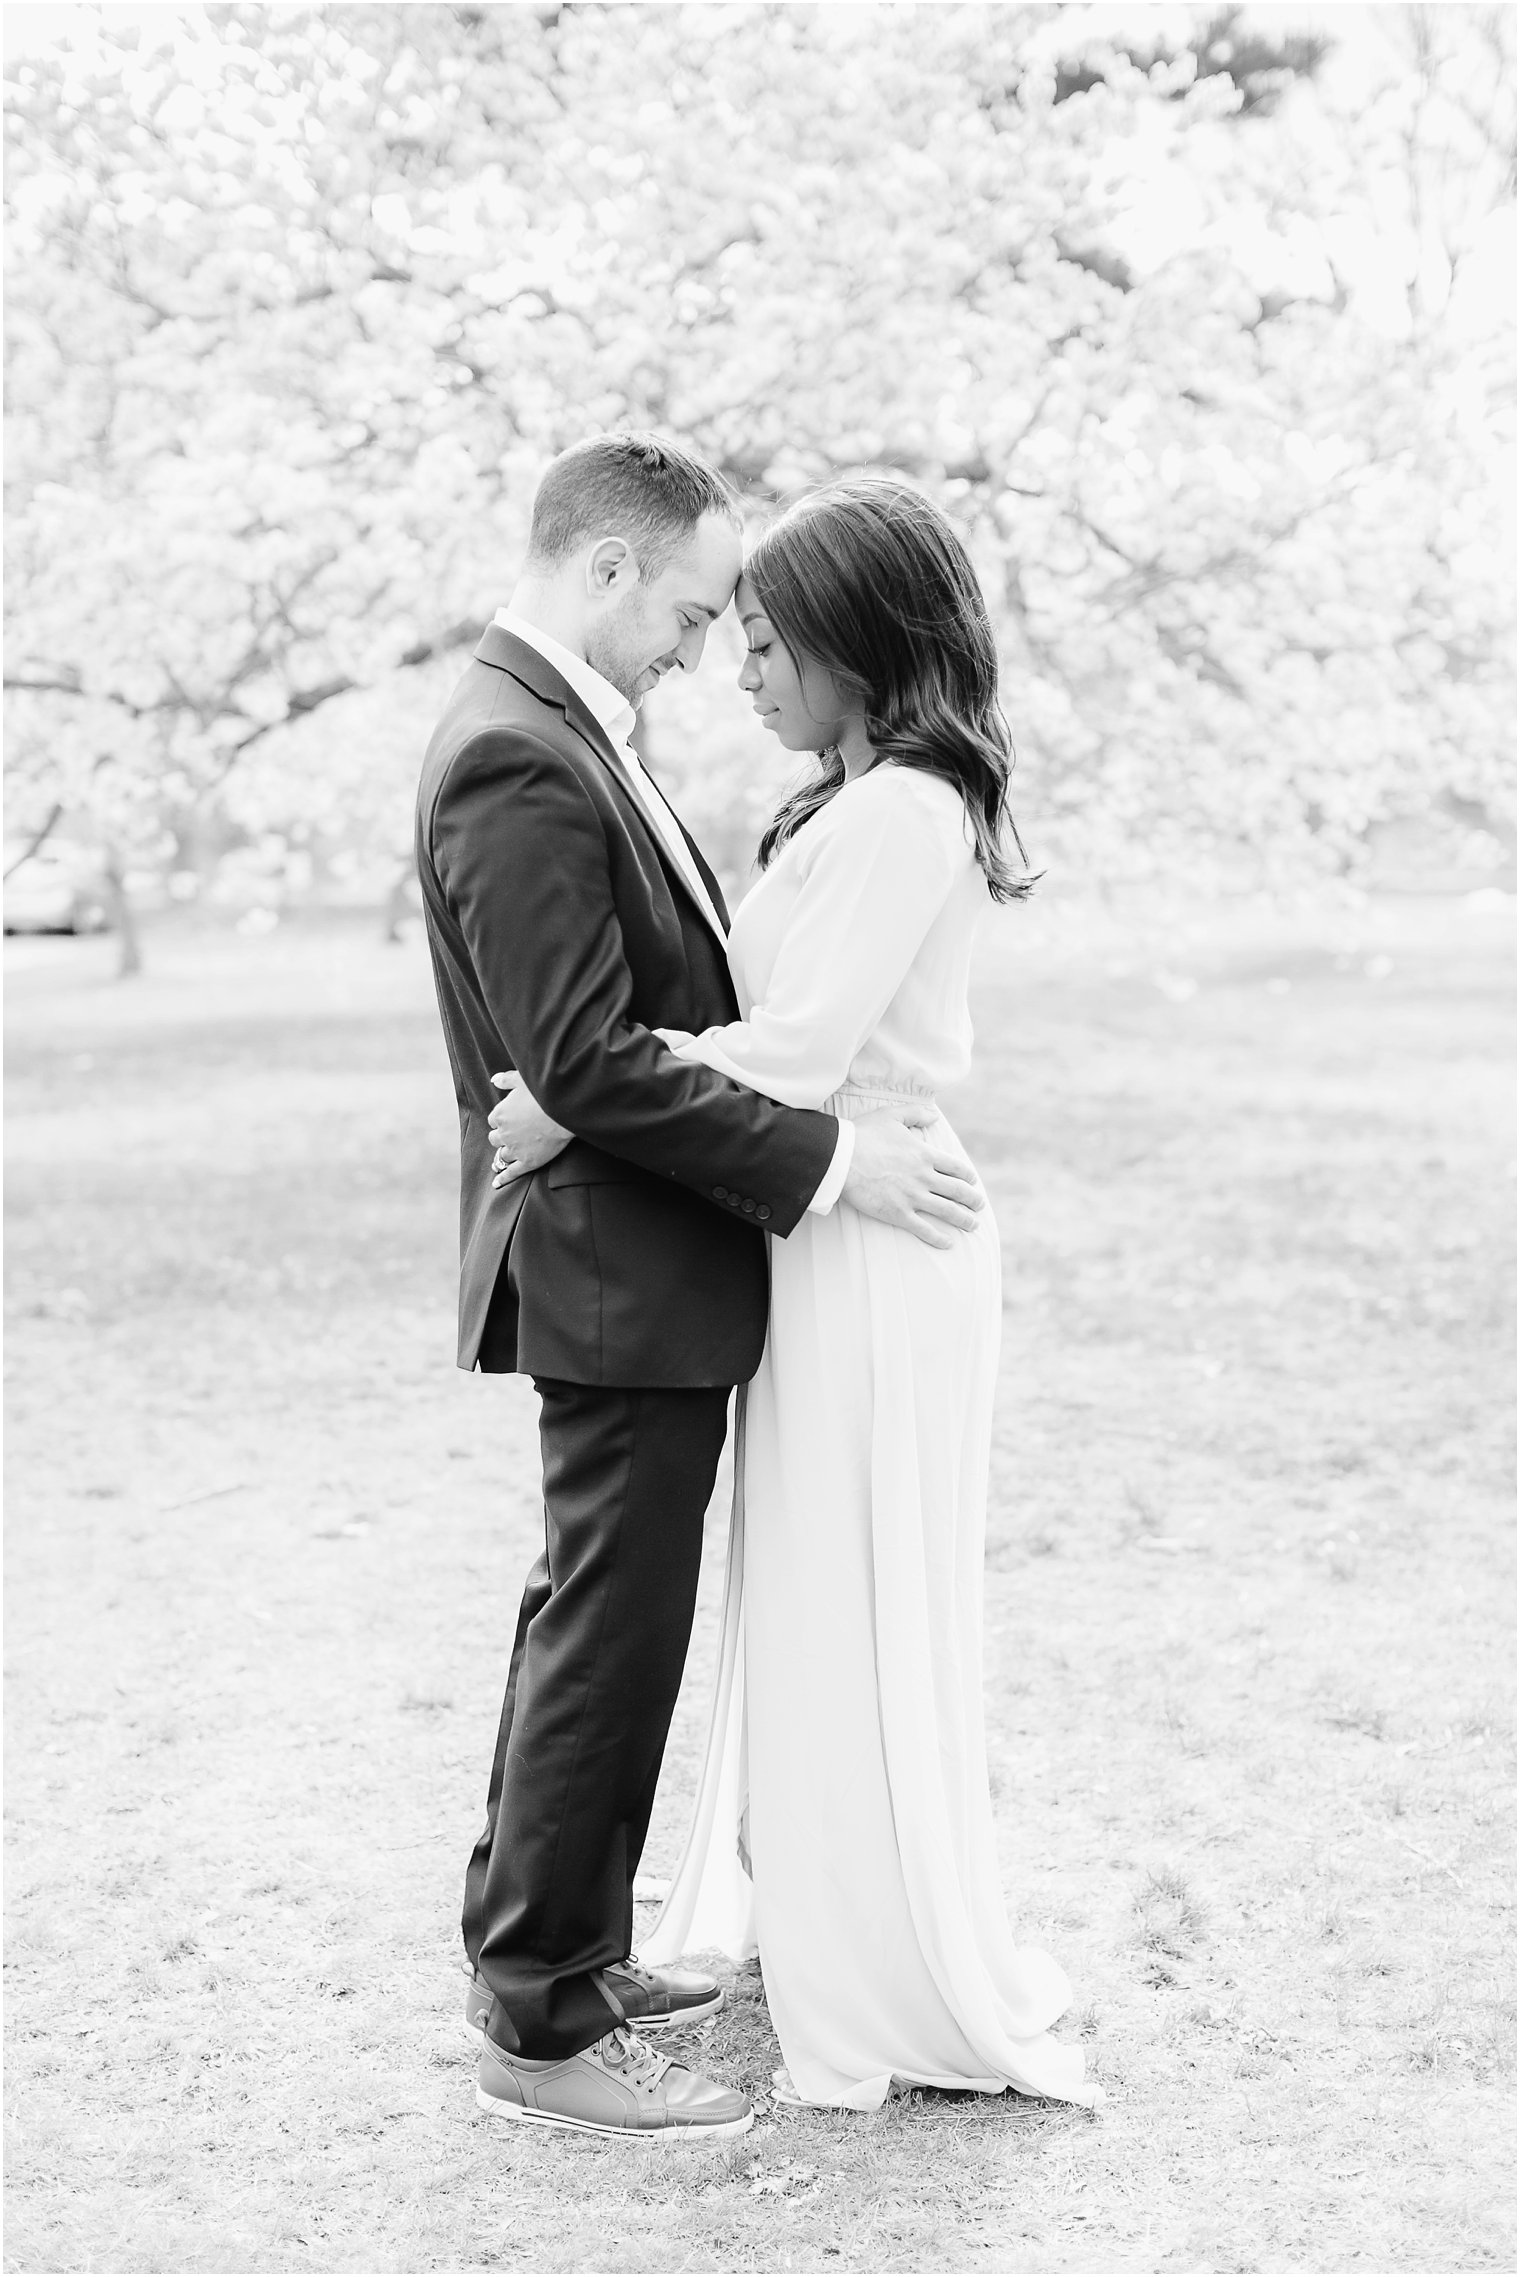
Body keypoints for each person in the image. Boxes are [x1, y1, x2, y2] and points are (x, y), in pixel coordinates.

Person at [491, 473, 1100, 2112]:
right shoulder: (853, 800)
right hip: (820, 1221)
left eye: (765, 642)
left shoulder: (906, 807)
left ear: (857, 643)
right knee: (815, 1592)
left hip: (876, 1228)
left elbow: (803, 1048)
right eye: (726, 630)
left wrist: (583, 1087)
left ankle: (879, 1945)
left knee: (861, 1590)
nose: (737, 671)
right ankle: (816, 1903)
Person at [414, 434, 988, 2143]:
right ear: (603, 569)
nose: (697, 646)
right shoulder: (518, 754)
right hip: (615, 1260)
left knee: (598, 1620)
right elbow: (584, 1052)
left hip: (645, 1252)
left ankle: (558, 1955)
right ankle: (538, 2015)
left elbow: (612, 1040)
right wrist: (824, 1164)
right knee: (605, 1630)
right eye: (683, 607)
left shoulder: (568, 729)